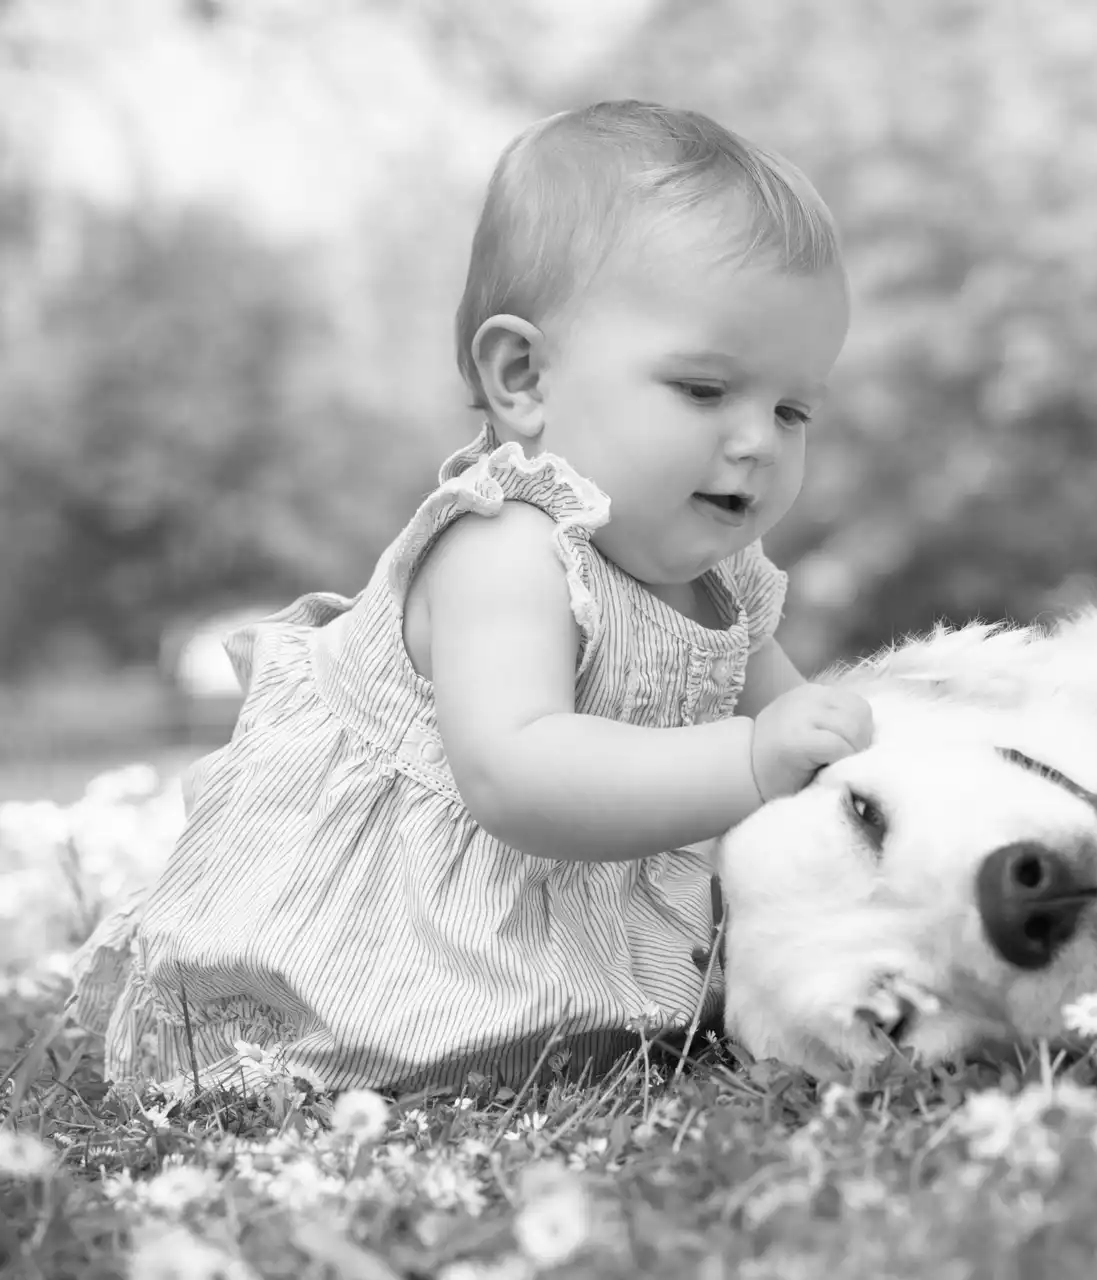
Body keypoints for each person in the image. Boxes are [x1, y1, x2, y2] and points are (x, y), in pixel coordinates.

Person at [69, 100, 872, 1091]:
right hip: (397, 941)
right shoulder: (504, 546)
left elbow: (804, 727)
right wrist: (754, 757)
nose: (757, 439)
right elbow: (520, 775)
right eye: (706, 390)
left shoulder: (724, 582)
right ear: (523, 376)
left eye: (791, 408)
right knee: (352, 1058)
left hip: (563, 932)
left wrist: (851, 751)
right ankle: (329, 1057)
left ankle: (617, 1021)